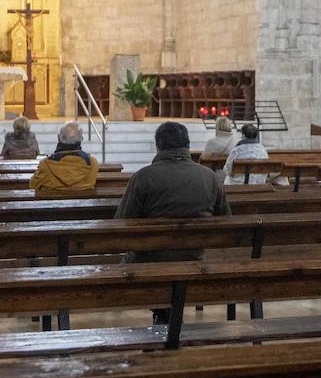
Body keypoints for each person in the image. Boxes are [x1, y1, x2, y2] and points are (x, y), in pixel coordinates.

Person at [115, 122, 231, 323]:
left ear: (159, 146)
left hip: (149, 261)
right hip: (194, 258)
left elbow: (121, 223)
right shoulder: (210, 178)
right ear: (186, 144)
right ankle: (166, 319)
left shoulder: (143, 178)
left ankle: (163, 318)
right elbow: (226, 222)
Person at [30, 121, 100, 196]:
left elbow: (33, 186)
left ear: (58, 138)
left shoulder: (46, 164)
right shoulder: (92, 163)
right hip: (84, 206)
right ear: (81, 139)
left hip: (53, 205)